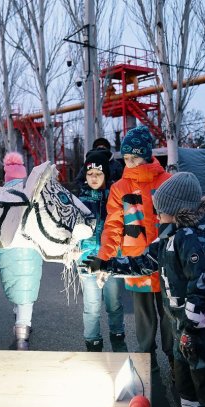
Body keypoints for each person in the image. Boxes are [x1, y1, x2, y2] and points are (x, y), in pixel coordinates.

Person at [87, 172, 205, 407]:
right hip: (182, 330)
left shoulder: (196, 239)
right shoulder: (169, 235)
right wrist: (107, 264)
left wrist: (192, 327)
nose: (157, 216)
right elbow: (144, 262)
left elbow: (204, 286)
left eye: (160, 211)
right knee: (186, 385)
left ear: (176, 210)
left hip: (202, 331)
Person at [96, 125, 173, 371]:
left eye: (134, 157)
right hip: (136, 259)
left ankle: (175, 361)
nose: (129, 163)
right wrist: (104, 258)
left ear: (147, 154)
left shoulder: (167, 182)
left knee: (170, 313)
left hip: (166, 259)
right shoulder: (120, 187)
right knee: (143, 317)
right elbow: (113, 226)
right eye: (126, 158)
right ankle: (146, 360)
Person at [0, 151, 43, 350]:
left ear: (6, 177)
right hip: (31, 251)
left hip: (8, 251)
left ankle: (21, 324)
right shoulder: (34, 198)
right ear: (23, 175)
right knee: (26, 293)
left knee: (16, 289)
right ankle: (22, 333)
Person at [75, 149, 127, 352]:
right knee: (92, 306)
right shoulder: (79, 200)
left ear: (106, 174)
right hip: (87, 259)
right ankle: (92, 341)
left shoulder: (114, 197)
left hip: (111, 259)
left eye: (98, 173)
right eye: (90, 174)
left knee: (114, 303)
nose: (94, 178)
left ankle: (117, 335)